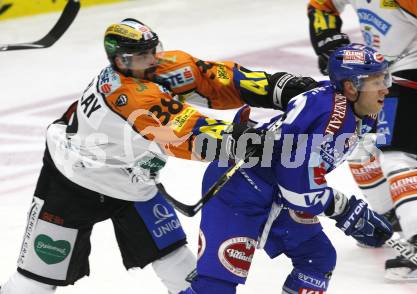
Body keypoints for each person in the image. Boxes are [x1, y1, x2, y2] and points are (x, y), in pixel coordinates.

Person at [0, 18, 318, 294]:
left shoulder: (160, 67)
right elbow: (184, 133)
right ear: (119, 61)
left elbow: (217, 78)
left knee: (175, 258)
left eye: (152, 51)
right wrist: (243, 141)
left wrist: (279, 87)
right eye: (139, 57)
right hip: (72, 182)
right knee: (35, 283)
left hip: (131, 183)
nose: (150, 60)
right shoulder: (127, 96)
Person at [179, 44, 393, 294]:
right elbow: (299, 191)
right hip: (239, 189)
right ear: (350, 87)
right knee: (215, 288)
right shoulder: (328, 119)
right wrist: (346, 210)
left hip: (276, 190)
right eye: (376, 81)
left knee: (317, 259)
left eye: (384, 78)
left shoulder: (361, 111)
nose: (385, 88)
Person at [307, 0, 417, 281]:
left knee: (396, 156)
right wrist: (328, 43)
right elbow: (321, 5)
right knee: (360, 150)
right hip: (381, 76)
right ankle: (388, 216)